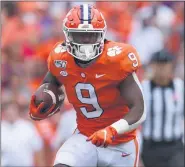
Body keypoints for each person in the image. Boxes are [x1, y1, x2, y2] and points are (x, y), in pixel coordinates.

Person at [29, 4, 146, 167]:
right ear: (68, 35)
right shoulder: (61, 58)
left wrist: (112, 130)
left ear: (101, 35)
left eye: (90, 35)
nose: (85, 41)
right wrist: (44, 100)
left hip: (120, 143)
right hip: (85, 137)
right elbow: (51, 83)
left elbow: (139, 110)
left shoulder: (117, 59)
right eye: (79, 35)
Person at [141, 50, 184, 167]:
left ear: (171, 66)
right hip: (151, 147)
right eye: (158, 64)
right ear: (152, 66)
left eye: (165, 64)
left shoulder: (180, 86)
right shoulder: (143, 88)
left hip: (175, 146)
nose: (162, 68)